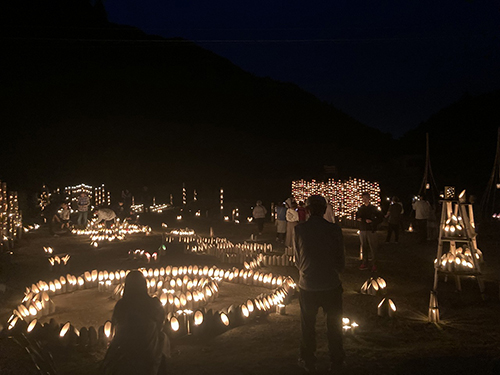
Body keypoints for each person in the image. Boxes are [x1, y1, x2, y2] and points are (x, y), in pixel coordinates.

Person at [293, 195, 345, 374]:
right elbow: (341, 260)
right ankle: (337, 361)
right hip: (331, 284)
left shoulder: (300, 230)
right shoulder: (334, 229)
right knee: (334, 325)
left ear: (307, 210)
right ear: (324, 211)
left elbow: (298, 260)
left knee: (308, 325)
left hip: (308, 285)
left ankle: (308, 360)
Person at [101, 270, 168, 375]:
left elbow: (115, 327)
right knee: (163, 338)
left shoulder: (121, 306)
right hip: (148, 352)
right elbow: (160, 324)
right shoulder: (153, 304)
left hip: (125, 352)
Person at [356, 192, 383, 271]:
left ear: (369, 199)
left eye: (366, 198)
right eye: (363, 199)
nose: (364, 200)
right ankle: (365, 262)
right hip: (363, 229)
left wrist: (372, 221)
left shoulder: (374, 209)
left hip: (371, 230)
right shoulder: (361, 208)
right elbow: (357, 216)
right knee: (364, 247)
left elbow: (380, 218)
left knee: (373, 247)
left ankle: (374, 263)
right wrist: (359, 219)